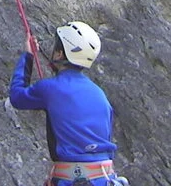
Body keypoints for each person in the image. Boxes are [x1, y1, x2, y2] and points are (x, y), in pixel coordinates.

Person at [9, 21, 128, 186]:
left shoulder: (50, 88)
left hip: (71, 179)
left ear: (59, 54)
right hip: (106, 178)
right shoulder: (99, 94)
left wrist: (28, 56)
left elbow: (17, 96)